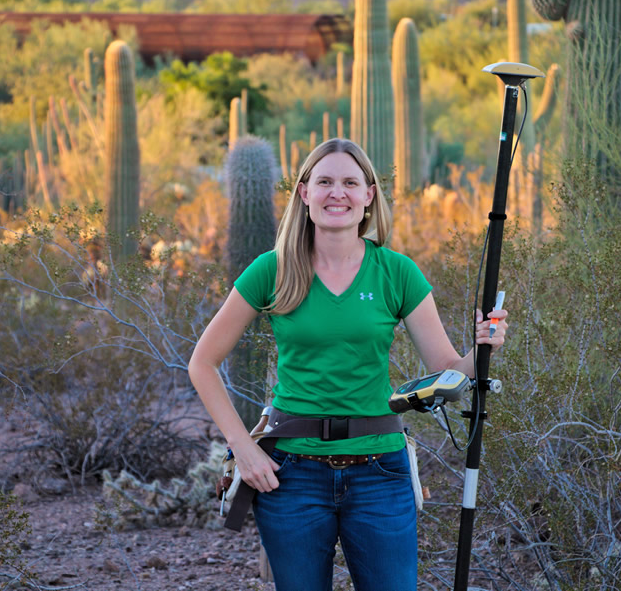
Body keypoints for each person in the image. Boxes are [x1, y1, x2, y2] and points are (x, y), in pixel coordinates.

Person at [189, 138, 508, 591]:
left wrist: (483, 346)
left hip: (381, 472)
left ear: (368, 196)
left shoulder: (397, 272)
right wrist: (243, 447)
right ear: (304, 193)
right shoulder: (272, 269)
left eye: (349, 183)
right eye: (324, 181)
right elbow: (202, 363)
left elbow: (448, 371)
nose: (336, 192)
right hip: (292, 475)